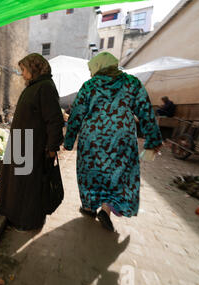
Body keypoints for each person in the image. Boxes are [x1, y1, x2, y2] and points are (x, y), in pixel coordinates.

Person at [63, 52, 163, 232]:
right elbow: (146, 112)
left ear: (98, 66)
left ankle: (89, 207)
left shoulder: (89, 86)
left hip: (92, 139)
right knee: (117, 175)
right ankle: (106, 210)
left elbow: (76, 114)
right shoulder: (132, 83)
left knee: (91, 173)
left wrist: (68, 141)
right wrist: (153, 140)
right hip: (121, 139)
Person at [0, 53, 65, 231]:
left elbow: (55, 120)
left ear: (34, 69)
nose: (22, 74)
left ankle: (26, 222)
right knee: (16, 184)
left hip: (32, 146)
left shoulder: (45, 87)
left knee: (28, 188)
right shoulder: (34, 86)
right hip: (21, 143)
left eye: (24, 70)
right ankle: (12, 216)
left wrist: (51, 148)